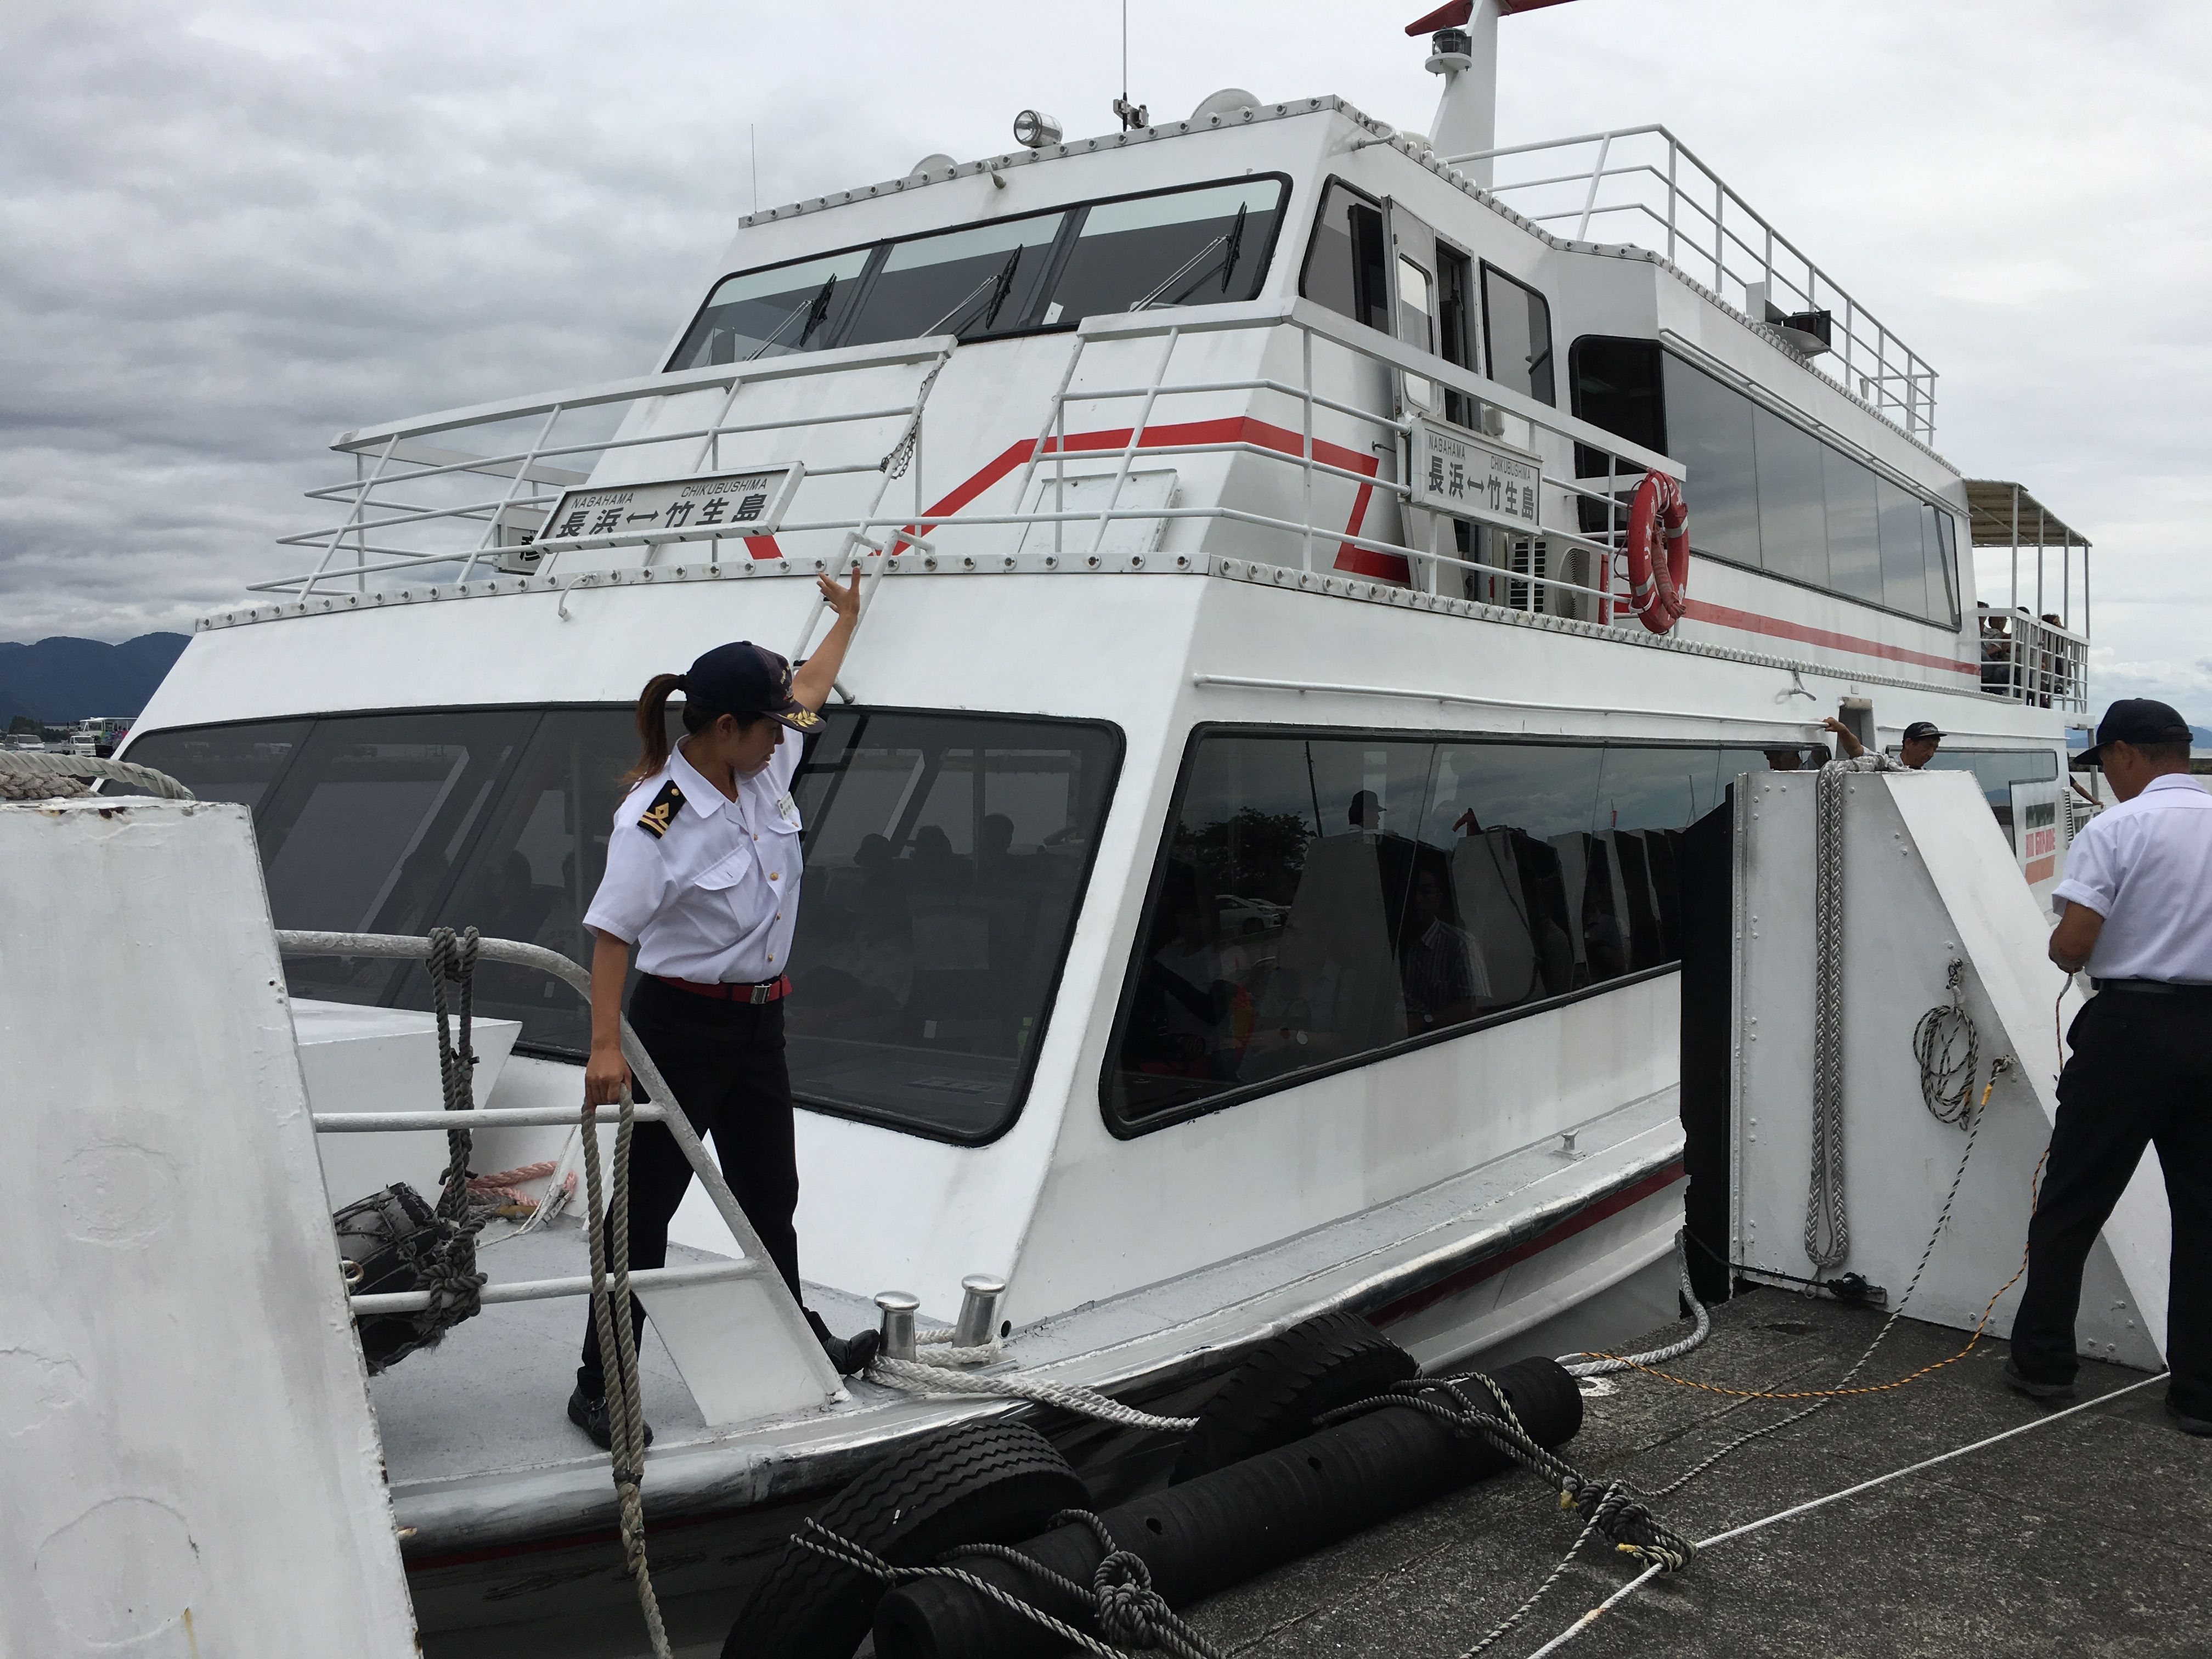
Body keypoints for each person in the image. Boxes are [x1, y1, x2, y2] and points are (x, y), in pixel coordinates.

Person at [567, 568, 876, 1450]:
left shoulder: (765, 757)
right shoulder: (656, 817)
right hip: (679, 1027)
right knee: (648, 1210)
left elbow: (811, 688)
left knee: (769, 1193)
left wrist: (847, 618)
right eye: (770, 721)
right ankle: (601, 1387)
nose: (790, 730)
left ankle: (798, 1341)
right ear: (724, 727)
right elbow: (614, 934)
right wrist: (603, 1048)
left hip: (758, 1023)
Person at [2008, 698, 2212, 1436]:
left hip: (2133, 1029)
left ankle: (2043, 1364)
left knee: (2074, 1198)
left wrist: (2082, 942)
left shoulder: (2117, 828)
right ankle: (2198, 1396)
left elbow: (2073, 946)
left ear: (2126, 754)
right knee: (2204, 1215)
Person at [1821, 716, 1943, 772]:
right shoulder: (1882, 764)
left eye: (1935, 749)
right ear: (1909, 743)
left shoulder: (1926, 775)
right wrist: (1843, 731)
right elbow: (1856, 749)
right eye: (1927, 747)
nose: (1931, 754)